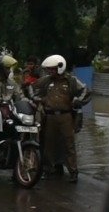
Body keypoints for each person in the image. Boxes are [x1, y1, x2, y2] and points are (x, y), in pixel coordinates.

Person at [33, 54, 91, 182]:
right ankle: (49, 169)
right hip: (49, 117)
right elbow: (33, 91)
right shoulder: (45, 81)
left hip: (66, 116)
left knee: (69, 144)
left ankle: (73, 172)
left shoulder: (71, 80)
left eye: (52, 69)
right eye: (49, 69)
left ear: (60, 67)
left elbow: (85, 91)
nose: (50, 71)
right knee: (48, 144)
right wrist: (39, 99)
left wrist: (78, 101)